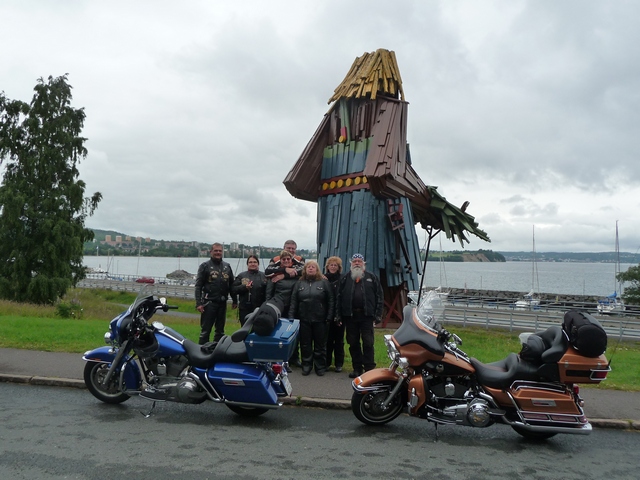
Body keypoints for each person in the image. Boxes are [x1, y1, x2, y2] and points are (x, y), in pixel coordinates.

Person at [336, 253, 383, 378]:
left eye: (359, 261)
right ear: (351, 264)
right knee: (353, 343)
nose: (357, 263)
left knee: (368, 343)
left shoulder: (371, 277)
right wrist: (338, 315)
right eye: (355, 261)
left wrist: (378, 315)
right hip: (350, 316)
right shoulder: (345, 278)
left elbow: (379, 296)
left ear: (364, 264)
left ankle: (369, 369)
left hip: (366, 316)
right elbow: (339, 298)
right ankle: (357, 368)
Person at [290, 260, 335, 376]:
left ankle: (320, 366)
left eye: (313, 267)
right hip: (304, 319)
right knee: (305, 344)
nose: (310, 269)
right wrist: (291, 316)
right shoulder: (299, 283)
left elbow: (331, 300)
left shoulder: (324, 283)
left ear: (317, 270)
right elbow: (294, 301)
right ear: (305, 270)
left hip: (321, 319)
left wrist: (329, 316)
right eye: (308, 267)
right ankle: (306, 365)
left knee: (320, 345)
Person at [265, 240, 305, 366]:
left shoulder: (299, 259)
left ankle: (294, 357)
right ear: (283, 248)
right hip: (279, 304)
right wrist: (285, 270)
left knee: (294, 331)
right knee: (278, 331)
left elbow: (302, 272)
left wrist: (283, 275)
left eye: (293, 248)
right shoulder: (276, 259)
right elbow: (268, 271)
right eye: (288, 248)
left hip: (294, 304)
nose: (291, 250)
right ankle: (277, 357)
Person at [195, 243, 237, 344]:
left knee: (220, 331)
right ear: (211, 252)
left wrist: (235, 300)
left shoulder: (227, 266)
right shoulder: (205, 266)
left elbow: (232, 285)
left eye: (220, 251)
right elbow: (198, 286)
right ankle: (201, 352)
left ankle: (216, 351)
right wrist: (198, 303)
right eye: (216, 251)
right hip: (209, 303)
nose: (218, 253)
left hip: (222, 303)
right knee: (205, 331)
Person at [231, 255, 267, 326]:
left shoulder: (264, 276)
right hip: (245, 308)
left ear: (258, 263)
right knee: (245, 328)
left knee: (259, 328)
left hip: (260, 308)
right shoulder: (241, 276)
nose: (252, 264)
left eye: (255, 262)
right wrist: (244, 287)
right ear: (247, 264)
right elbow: (233, 289)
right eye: (250, 262)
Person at [323, 256, 344, 372]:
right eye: (331, 265)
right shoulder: (323, 279)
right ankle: (327, 362)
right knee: (328, 339)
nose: (333, 267)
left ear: (338, 267)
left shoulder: (342, 279)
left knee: (339, 340)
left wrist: (339, 314)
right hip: (326, 313)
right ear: (327, 266)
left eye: (335, 265)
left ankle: (339, 363)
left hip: (338, 313)